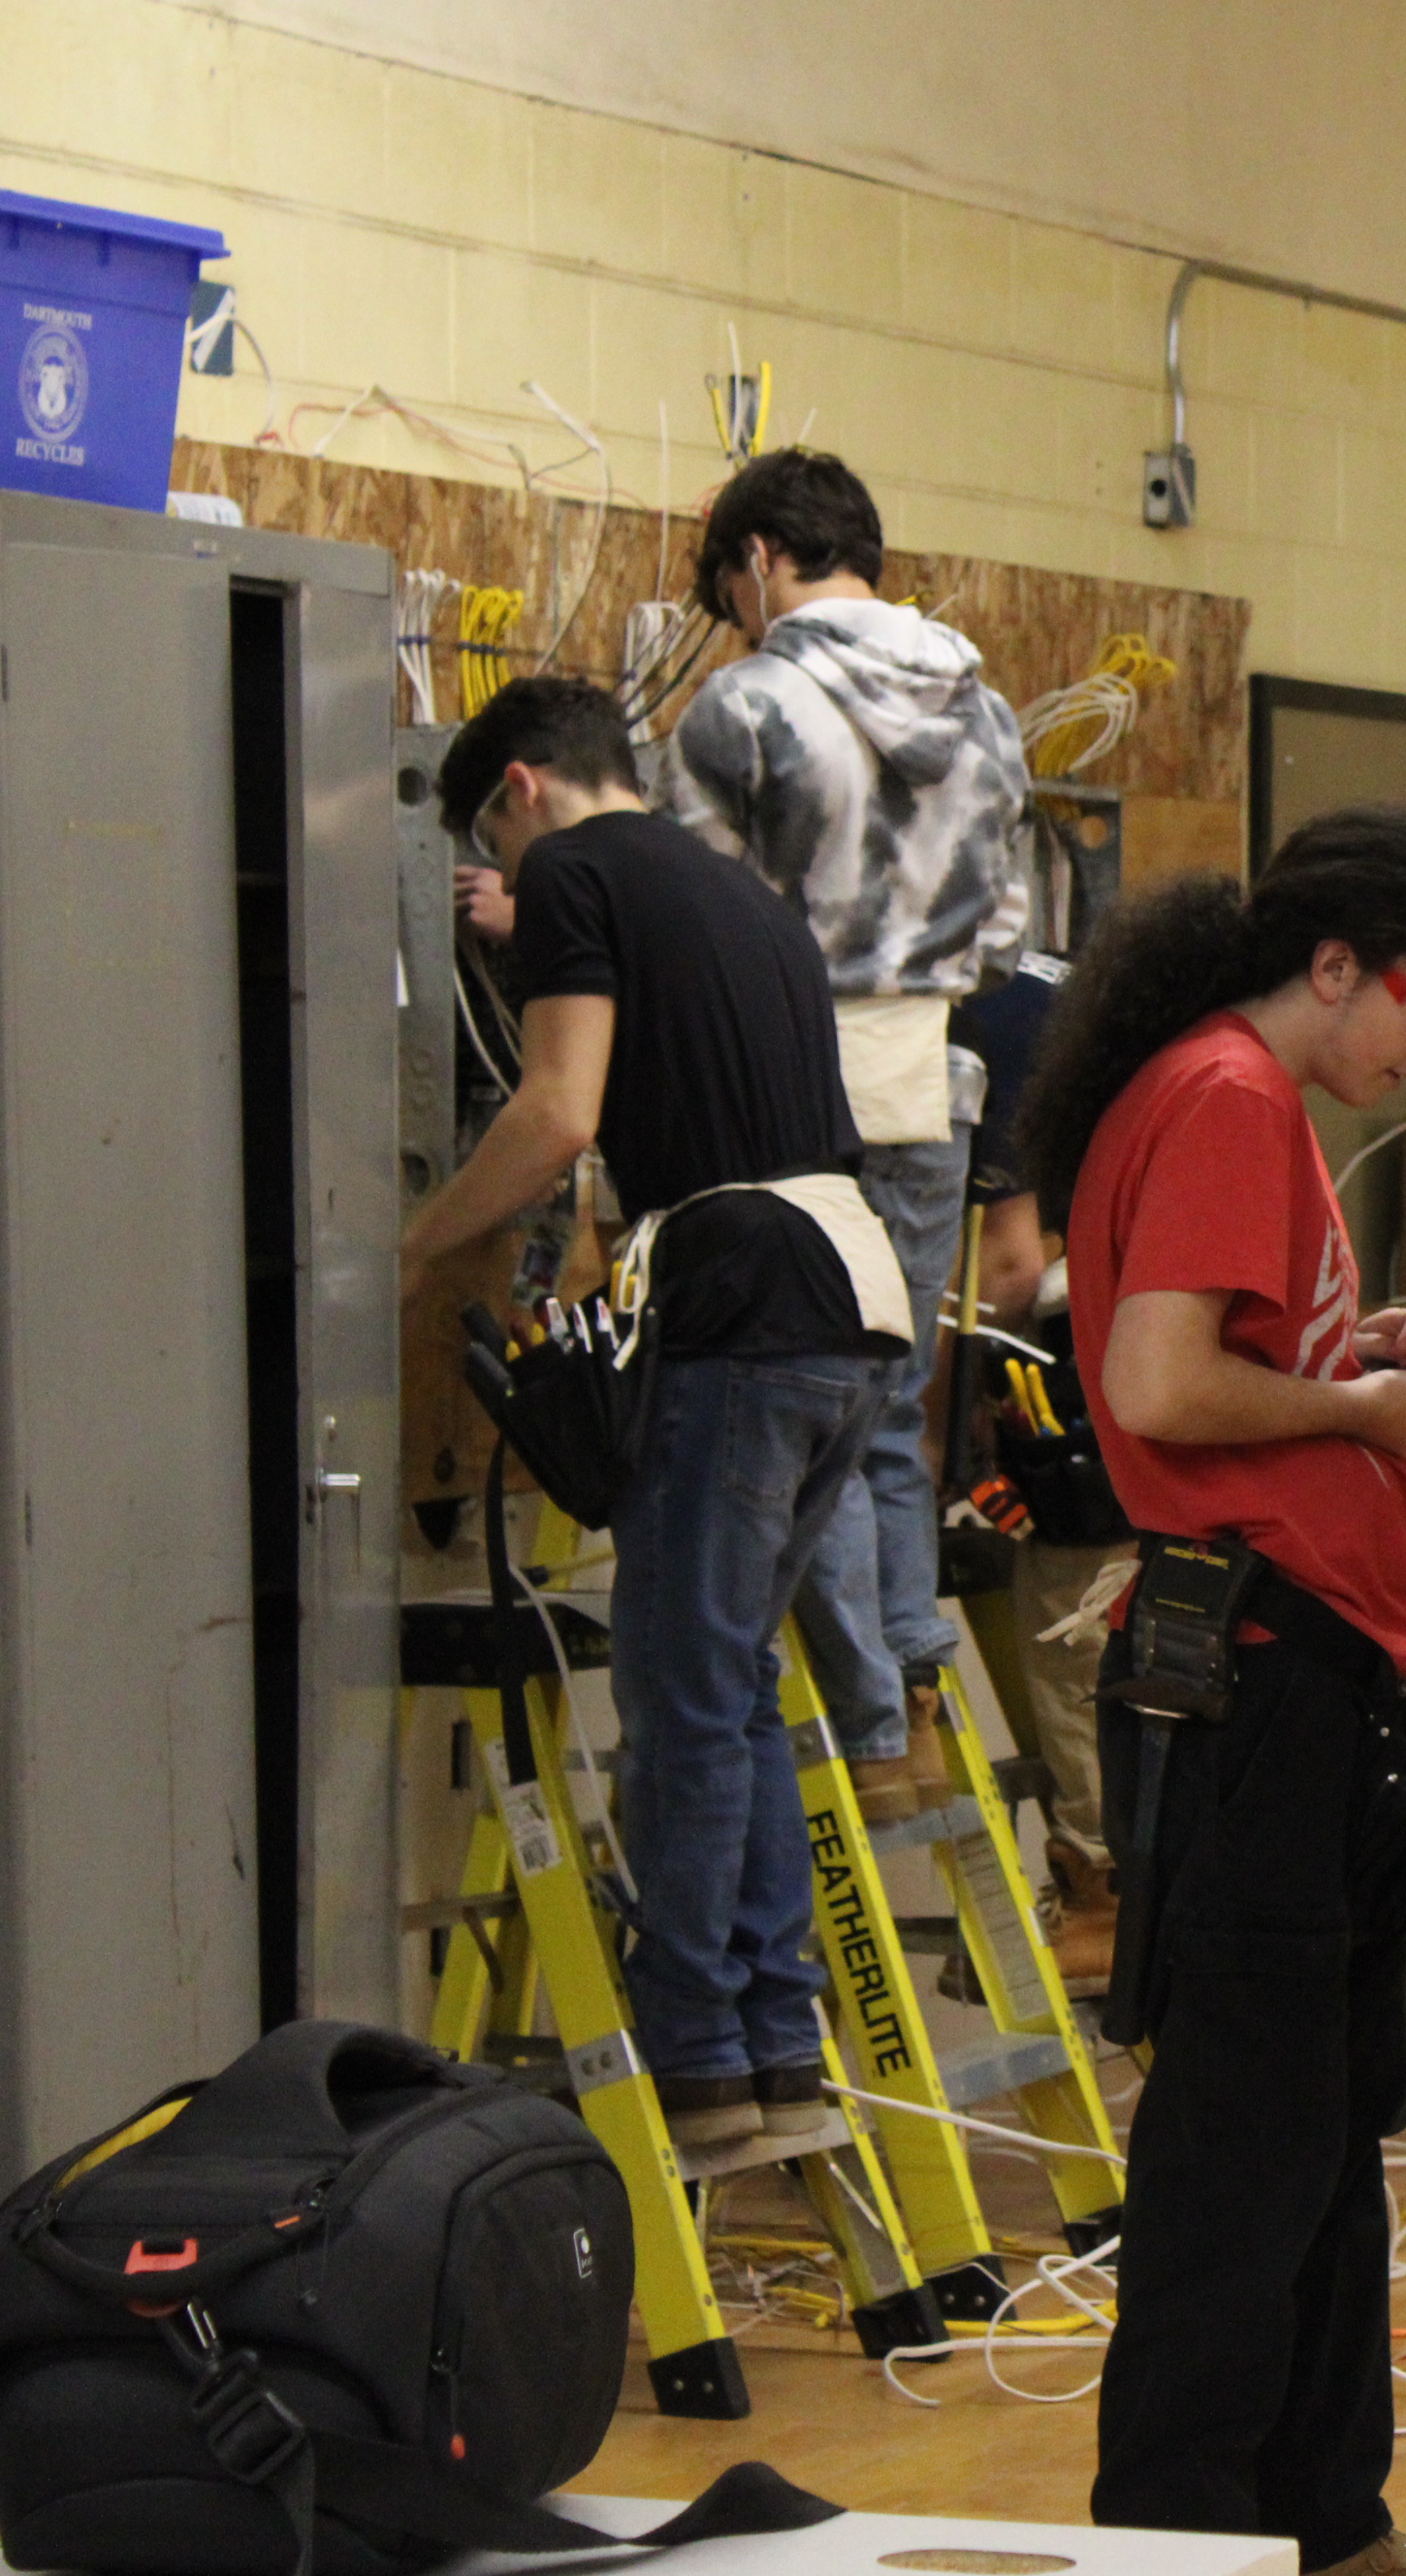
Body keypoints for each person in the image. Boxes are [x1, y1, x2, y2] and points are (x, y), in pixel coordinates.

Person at [1018, 805, 1406, 2576]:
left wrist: (1346, 1357)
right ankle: (1180, 2535)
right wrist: (1351, 1410)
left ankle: (1323, 2515)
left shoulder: (1240, 1099)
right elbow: (1160, 1386)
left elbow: (1219, 1357)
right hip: (1263, 1675)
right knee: (1242, 2152)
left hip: (1314, 1670)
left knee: (1319, 2131)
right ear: (1334, 966)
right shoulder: (1226, 1094)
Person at [402, 677, 915, 2154]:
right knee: (734, 1683)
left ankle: (692, 2049)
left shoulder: (570, 868)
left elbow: (559, 1110)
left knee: (685, 1694)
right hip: (851, 1300)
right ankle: (771, 2042)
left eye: (492, 847)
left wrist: (414, 1246)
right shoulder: (741, 889)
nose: (507, 878)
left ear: (519, 789)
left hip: (741, 1308)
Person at [670, 446, 1032, 1821]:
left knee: (792, 1418)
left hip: (782, 1098)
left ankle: (873, 1725)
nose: (736, 619)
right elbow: (1003, 938)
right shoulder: (988, 712)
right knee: (884, 1407)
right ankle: (915, 1684)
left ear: (761, 561)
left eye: (730, 591)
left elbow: (696, 928)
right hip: (926, 1089)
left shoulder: (745, 705)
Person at [959, 947, 1134, 1989]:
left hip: (1078, 1371)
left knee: (1075, 1644)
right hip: (1150, 1350)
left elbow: (1013, 1262)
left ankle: (1102, 1894)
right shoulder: (1074, 984)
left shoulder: (991, 1020)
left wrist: (942, 1402)